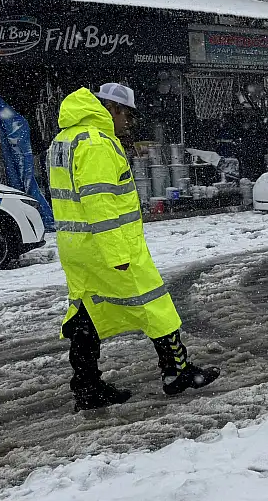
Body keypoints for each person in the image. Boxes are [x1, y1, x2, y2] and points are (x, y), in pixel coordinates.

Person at [47, 83, 219, 411]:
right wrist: (118, 255)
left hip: (76, 243)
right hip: (107, 244)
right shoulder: (96, 143)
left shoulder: (65, 139)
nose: (128, 122)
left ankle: (87, 386)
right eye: (126, 114)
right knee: (156, 304)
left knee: (87, 312)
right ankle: (177, 372)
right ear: (112, 109)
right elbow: (100, 204)